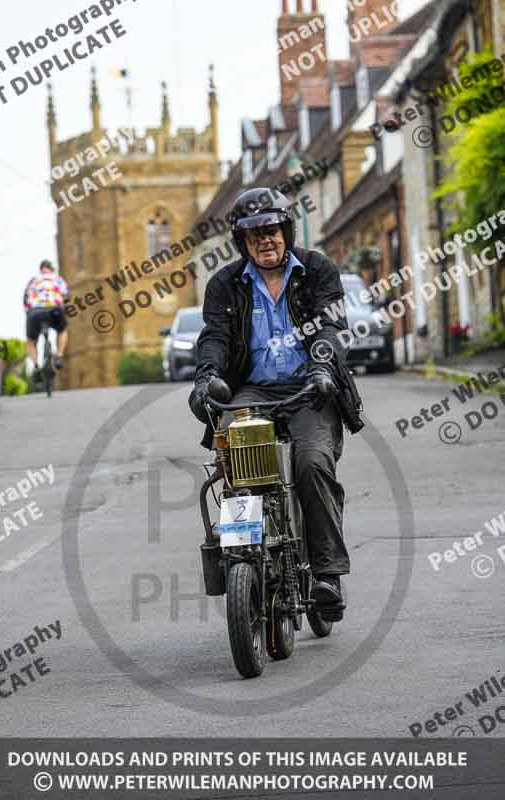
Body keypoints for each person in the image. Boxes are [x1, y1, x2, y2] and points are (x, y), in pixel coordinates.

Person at [189, 188, 364, 621]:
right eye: (254, 234)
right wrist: (207, 378)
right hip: (251, 390)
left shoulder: (318, 269)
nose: (265, 240)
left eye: (272, 230)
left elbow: (330, 327)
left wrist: (323, 366)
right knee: (238, 467)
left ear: (285, 230)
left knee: (312, 464)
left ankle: (327, 574)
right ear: (242, 241)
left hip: (311, 387)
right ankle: (242, 554)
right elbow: (214, 337)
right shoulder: (225, 284)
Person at [24, 260, 69, 372]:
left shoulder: (34, 280)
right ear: (52, 269)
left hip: (35, 312)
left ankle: (36, 366)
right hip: (55, 310)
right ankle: (59, 356)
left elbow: (25, 300)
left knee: (31, 341)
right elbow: (67, 296)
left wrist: (29, 313)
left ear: (41, 269)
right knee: (62, 330)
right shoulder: (58, 279)